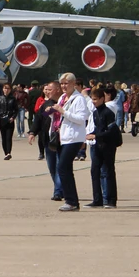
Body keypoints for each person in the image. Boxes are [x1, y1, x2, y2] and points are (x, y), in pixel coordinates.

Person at [49, 72, 90, 211]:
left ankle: (71, 200)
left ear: (73, 84)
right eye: (62, 84)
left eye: (66, 83)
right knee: (64, 169)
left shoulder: (79, 99)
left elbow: (81, 118)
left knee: (63, 167)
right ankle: (71, 200)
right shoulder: (62, 97)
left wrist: (63, 112)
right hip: (63, 137)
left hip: (74, 137)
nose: (64, 86)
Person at [85, 88, 119, 209]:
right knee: (94, 171)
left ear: (102, 99)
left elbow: (112, 131)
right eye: (92, 99)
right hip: (97, 145)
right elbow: (98, 129)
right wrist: (89, 136)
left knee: (108, 172)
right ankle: (97, 199)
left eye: (95, 99)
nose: (93, 102)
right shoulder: (95, 113)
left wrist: (96, 135)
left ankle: (111, 200)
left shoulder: (107, 112)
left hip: (108, 146)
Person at [29, 81, 63, 200]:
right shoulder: (46, 104)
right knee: (52, 167)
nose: (46, 92)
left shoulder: (64, 102)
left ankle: (58, 192)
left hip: (61, 140)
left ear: (57, 90)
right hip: (48, 140)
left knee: (60, 166)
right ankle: (59, 188)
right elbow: (39, 118)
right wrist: (33, 132)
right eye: (46, 89)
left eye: (50, 90)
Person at [0, 83, 17, 160]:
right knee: (3, 138)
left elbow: (16, 110)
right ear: (3, 89)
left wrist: (13, 117)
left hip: (10, 120)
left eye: (8, 88)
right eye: (5, 88)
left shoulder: (13, 99)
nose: (6, 90)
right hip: (1, 119)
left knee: (8, 137)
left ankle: (9, 153)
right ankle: (5, 153)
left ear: (10, 90)